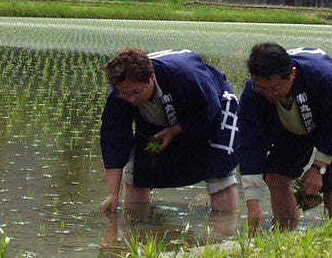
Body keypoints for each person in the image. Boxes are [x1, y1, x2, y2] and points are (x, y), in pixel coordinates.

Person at [99, 48, 239, 216]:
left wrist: (176, 130)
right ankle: (137, 228)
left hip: (212, 108)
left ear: (151, 78)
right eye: (125, 94)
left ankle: (224, 235)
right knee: (136, 171)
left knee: (220, 169)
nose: (131, 99)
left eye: (136, 92)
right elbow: (114, 139)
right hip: (159, 117)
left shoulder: (185, 76)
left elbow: (208, 109)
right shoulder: (119, 95)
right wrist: (112, 194)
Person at [236, 43, 332, 230]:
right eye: (262, 88)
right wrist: (253, 204)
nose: (269, 95)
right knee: (275, 175)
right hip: (290, 125)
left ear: (292, 74)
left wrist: (318, 167)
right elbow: (250, 146)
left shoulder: (323, 77)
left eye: (274, 88)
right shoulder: (253, 92)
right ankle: (285, 232)